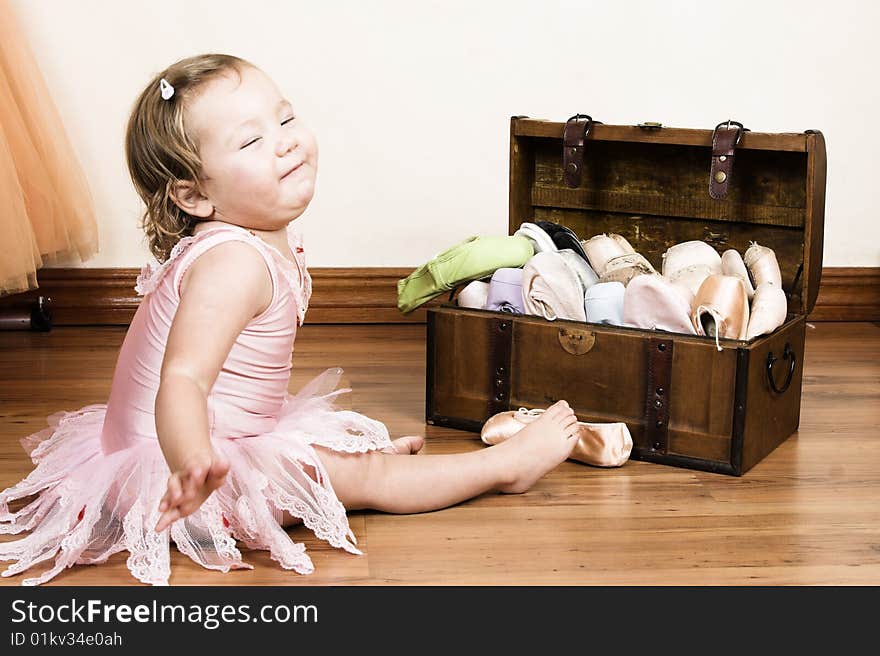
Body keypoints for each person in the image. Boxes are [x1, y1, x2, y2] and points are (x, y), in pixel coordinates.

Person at [0, 54, 580, 586]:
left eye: (285, 119)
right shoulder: (232, 264)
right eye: (251, 140)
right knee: (369, 482)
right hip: (192, 475)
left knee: (336, 452)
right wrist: (193, 462)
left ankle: (349, 470)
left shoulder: (245, 238)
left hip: (191, 444)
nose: (285, 143)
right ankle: (503, 467)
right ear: (194, 196)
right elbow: (182, 380)